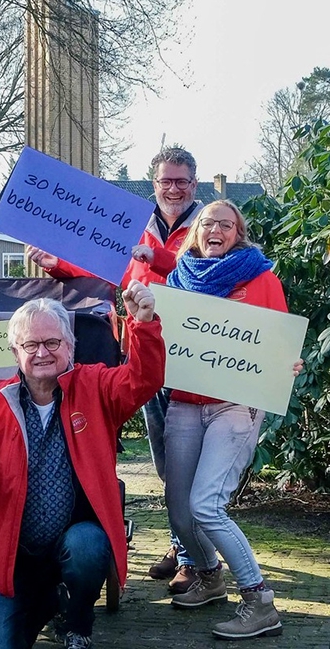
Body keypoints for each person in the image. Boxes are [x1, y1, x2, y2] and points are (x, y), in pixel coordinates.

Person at [0, 282, 165, 649]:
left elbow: (144, 379)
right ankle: (49, 601)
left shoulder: (96, 386)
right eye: (31, 345)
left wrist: (144, 324)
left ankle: (77, 621)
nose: (42, 352)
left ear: (69, 346)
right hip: (13, 559)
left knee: (88, 547)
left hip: (74, 539)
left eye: (52, 343)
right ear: (14, 351)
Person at [26, 146, 205, 592]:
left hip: (197, 357)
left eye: (182, 181)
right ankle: (181, 543)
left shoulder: (209, 224)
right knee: (166, 459)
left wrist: (156, 258)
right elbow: (104, 264)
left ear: (194, 184)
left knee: (191, 465)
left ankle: (195, 558)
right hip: (144, 354)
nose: (174, 188)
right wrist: (58, 264)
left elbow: (207, 270)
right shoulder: (133, 222)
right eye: (166, 180)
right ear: (154, 184)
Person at [163, 199, 301, 640]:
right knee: (180, 511)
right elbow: (158, 341)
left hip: (236, 404)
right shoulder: (176, 279)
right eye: (209, 222)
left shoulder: (260, 278)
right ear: (196, 231)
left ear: (238, 234)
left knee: (206, 504)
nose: (216, 228)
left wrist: (287, 362)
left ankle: (259, 601)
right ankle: (208, 575)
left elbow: (278, 343)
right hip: (184, 402)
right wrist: (140, 320)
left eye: (227, 223)